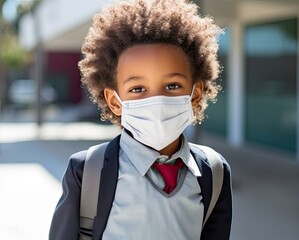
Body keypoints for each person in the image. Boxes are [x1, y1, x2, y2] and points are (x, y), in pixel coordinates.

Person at [49, 0, 232, 239]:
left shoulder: (214, 173)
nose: (157, 100)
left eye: (173, 85)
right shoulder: (88, 171)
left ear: (194, 94)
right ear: (115, 102)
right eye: (137, 89)